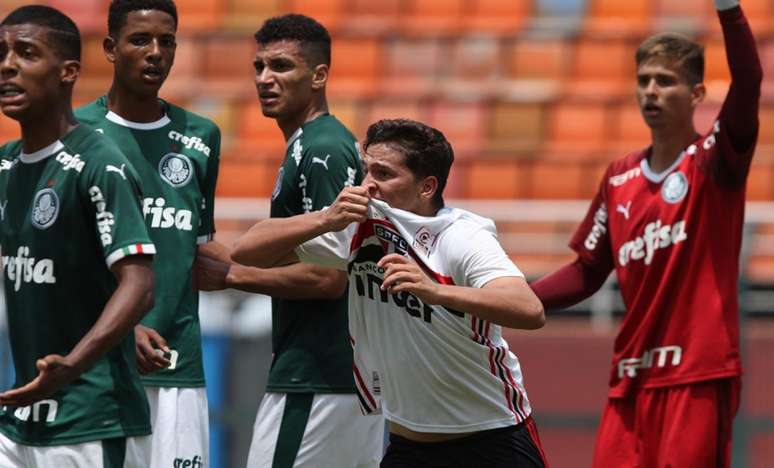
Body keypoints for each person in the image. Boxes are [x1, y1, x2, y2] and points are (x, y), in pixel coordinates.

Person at [232, 118, 550, 467]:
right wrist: (323, 219)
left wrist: (436, 292)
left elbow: (528, 308)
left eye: (383, 174)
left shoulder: (462, 236)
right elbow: (247, 251)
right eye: (366, 171)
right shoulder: (354, 224)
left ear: (426, 187)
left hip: (492, 438)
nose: (368, 185)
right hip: (407, 443)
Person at [530, 0, 762, 466]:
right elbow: (587, 272)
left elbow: (749, 83)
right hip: (630, 378)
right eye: (643, 81)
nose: (651, 92)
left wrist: (729, 10)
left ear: (696, 93)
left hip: (696, 375)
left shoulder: (715, 163)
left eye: (666, 81)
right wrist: (514, 296)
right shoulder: (619, 177)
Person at [193, 13, 384, 467]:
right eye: (259, 66)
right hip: (332, 376)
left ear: (318, 75)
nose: (265, 78)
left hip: (321, 374)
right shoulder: (306, 144)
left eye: (281, 66)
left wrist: (234, 276)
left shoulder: (322, 148)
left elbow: (327, 277)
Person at [0, 5, 156, 466]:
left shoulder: (98, 165)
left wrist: (72, 364)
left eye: (26, 53)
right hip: (22, 416)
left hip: (93, 421)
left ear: (67, 71)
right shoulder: (6, 166)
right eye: (2, 53)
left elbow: (139, 284)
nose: (7, 65)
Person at [75, 1, 221, 466]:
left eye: (167, 41)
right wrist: (123, 326)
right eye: (140, 40)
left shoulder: (202, 137)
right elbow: (59, 259)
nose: (155, 52)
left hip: (179, 366)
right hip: (97, 370)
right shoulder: (74, 133)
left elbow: (198, 249)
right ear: (111, 48)